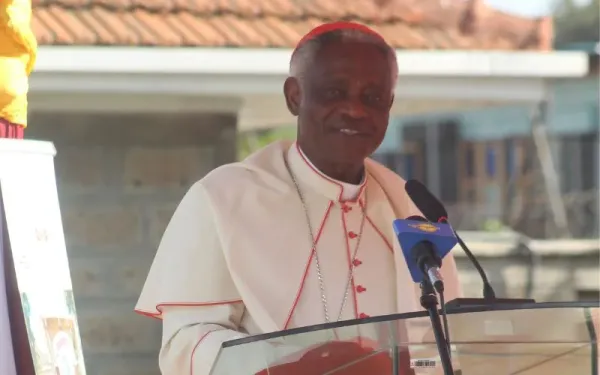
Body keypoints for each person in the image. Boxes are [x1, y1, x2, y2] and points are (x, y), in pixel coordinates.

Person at [135, 21, 462, 375]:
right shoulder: (223, 198)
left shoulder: (409, 206)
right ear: (295, 96)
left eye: (373, 98)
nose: (354, 110)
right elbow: (186, 343)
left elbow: (446, 340)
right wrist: (286, 367)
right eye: (334, 92)